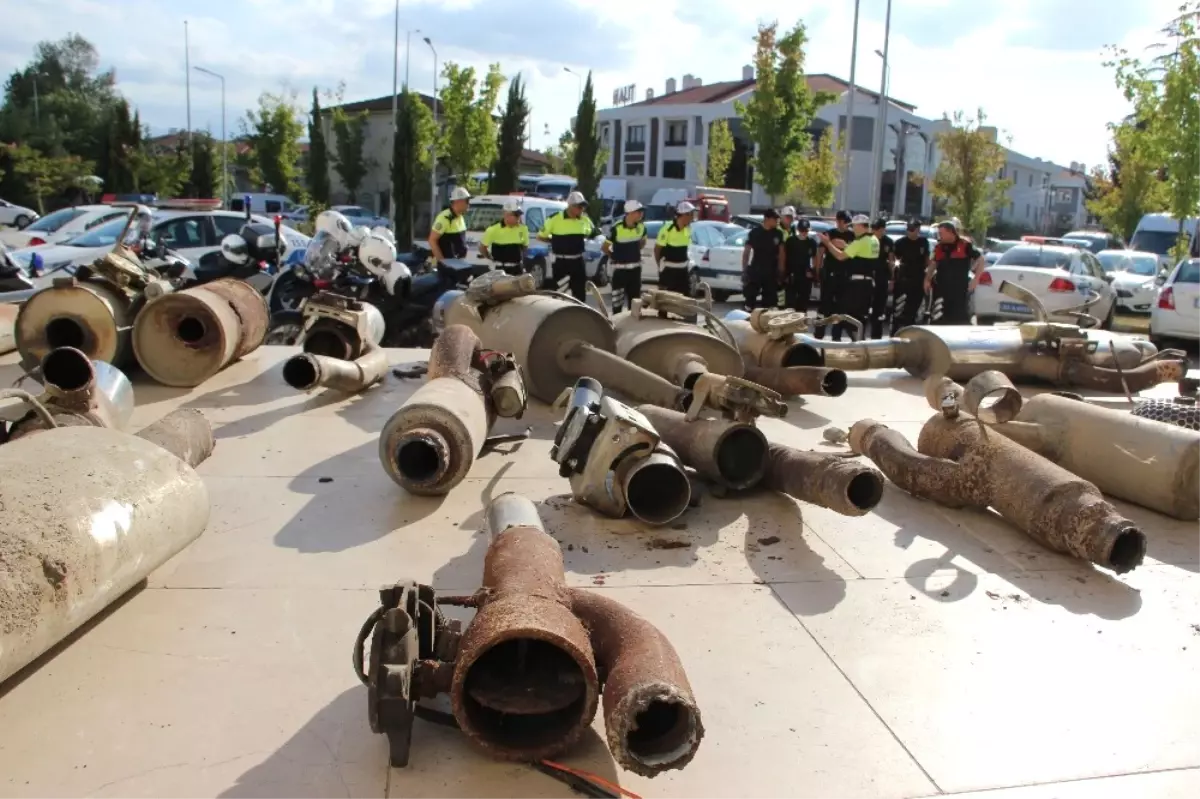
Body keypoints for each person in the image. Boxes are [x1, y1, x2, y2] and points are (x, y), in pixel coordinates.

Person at [818, 214, 879, 339]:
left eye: (854, 226)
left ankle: (857, 342)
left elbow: (840, 256)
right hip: (868, 283)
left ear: (860, 226)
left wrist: (828, 243)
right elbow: (861, 254)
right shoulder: (874, 240)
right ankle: (859, 342)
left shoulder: (860, 241)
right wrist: (846, 246)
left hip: (857, 285)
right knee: (860, 317)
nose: (853, 229)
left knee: (846, 316)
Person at [925, 219, 985, 325]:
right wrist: (927, 279)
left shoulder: (965, 245)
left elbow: (981, 260)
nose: (939, 236)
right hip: (941, 289)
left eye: (941, 233)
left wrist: (976, 279)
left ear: (950, 232)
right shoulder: (939, 247)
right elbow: (933, 264)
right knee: (937, 320)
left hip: (958, 291)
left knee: (958, 321)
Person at [538, 191, 594, 300]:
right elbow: (540, 236)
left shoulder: (585, 220)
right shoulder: (554, 219)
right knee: (561, 294)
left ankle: (579, 316)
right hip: (561, 263)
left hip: (578, 262)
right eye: (579, 207)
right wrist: (554, 241)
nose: (582, 209)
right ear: (571, 206)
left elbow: (591, 233)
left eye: (583, 207)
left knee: (580, 296)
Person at [816, 210, 857, 339]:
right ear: (837, 221)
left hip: (845, 276)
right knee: (825, 307)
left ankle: (836, 336)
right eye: (842, 221)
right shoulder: (830, 234)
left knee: (841, 307)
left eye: (847, 222)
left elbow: (855, 255)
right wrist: (817, 270)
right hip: (830, 275)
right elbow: (820, 253)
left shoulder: (852, 236)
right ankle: (819, 334)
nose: (844, 224)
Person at [603, 199, 647, 311]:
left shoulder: (642, 228)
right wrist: (616, 256)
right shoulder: (616, 228)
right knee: (617, 304)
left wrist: (633, 252)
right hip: (620, 272)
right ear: (631, 212)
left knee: (635, 304)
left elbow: (642, 242)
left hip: (635, 271)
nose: (641, 214)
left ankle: (632, 328)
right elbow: (605, 247)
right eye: (639, 211)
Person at [741, 208, 785, 309]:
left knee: (770, 303)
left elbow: (782, 253)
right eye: (775, 219)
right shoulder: (755, 232)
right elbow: (746, 252)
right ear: (767, 219)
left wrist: (781, 271)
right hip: (756, 270)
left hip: (771, 272)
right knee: (750, 299)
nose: (777, 221)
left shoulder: (778, 234)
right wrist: (744, 270)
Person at [892, 219, 932, 328]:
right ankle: (895, 332)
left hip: (918, 279)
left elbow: (927, 259)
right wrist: (893, 277)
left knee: (914, 308)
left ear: (918, 229)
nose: (910, 231)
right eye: (909, 229)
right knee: (899, 309)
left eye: (913, 229)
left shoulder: (924, 242)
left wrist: (930, 273)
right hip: (903, 280)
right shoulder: (900, 243)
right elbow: (894, 260)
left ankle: (910, 329)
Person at [655, 200, 697, 296]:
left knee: (685, 301)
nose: (692, 218)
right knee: (665, 302)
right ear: (684, 215)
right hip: (668, 271)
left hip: (683, 271)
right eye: (691, 215)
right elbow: (657, 249)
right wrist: (660, 266)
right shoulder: (667, 229)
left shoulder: (688, 229)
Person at [479, 198, 529, 276]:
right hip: (499, 270)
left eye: (519, 215)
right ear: (506, 215)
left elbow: (525, 247)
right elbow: (482, 247)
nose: (518, 218)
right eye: (516, 215)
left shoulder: (523, 229)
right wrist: (490, 257)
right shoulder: (493, 229)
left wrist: (522, 262)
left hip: (517, 270)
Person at [782, 211, 821, 312]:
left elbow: (815, 258)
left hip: (805, 275)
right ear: (798, 230)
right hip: (792, 274)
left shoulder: (811, 242)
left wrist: (815, 272)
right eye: (802, 230)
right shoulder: (791, 241)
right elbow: (784, 256)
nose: (804, 233)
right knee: (790, 303)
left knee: (803, 303)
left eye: (806, 231)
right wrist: (783, 272)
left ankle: (801, 323)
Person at [869, 217, 897, 338]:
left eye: (878, 229)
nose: (875, 231)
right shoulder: (868, 240)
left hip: (882, 276)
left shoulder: (888, 242)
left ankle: (876, 335)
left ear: (883, 230)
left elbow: (891, 261)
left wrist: (892, 278)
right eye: (874, 229)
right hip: (868, 275)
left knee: (879, 308)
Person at [429, 186, 470, 262]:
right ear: (458, 201)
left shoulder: (460, 217)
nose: (469, 204)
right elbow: (432, 240)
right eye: (467, 201)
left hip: (459, 265)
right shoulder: (444, 217)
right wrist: (442, 262)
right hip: (449, 266)